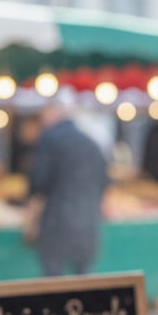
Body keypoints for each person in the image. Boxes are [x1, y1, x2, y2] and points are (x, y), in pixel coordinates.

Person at [27, 95, 108, 276]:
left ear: (52, 112)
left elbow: (38, 182)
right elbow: (104, 181)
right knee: (84, 280)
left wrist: (32, 218)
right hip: (88, 222)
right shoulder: (91, 143)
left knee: (54, 282)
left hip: (55, 222)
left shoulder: (50, 140)